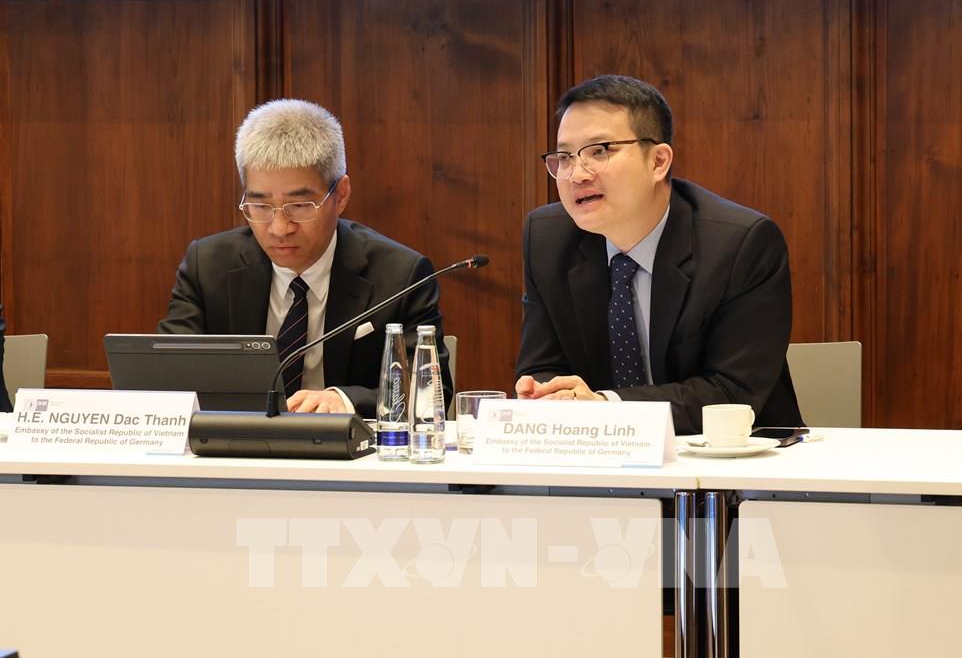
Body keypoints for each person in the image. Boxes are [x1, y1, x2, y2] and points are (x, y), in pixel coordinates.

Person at [515, 75, 802, 434]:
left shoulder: (740, 244)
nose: (576, 175)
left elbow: (732, 392)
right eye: (564, 157)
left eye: (599, 151)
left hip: (734, 455)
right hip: (600, 455)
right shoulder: (548, 239)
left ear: (658, 161)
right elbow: (542, 368)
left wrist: (606, 407)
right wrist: (550, 396)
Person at [159, 99, 451, 417]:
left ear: (341, 195)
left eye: (299, 206)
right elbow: (166, 374)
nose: (279, 228)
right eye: (261, 206)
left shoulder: (401, 276)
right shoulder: (208, 266)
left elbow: (430, 393)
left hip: (348, 445)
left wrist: (345, 400)